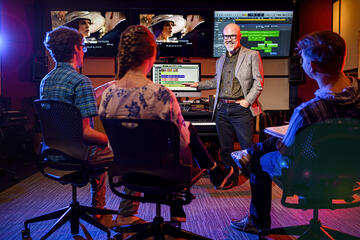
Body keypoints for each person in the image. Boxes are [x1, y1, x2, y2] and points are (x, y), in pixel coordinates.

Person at [98, 25, 235, 225]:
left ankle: (127, 214)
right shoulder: (161, 94)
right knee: (186, 130)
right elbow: (181, 144)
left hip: (127, 172)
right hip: (164, 173)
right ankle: (193, 188)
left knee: (140, 148)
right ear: (153, 54)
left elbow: (114, 145)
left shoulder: (108, 94)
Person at [230, 31, 360, 233]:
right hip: (351, 176)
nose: (301, 63)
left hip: (308, 175)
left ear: (312, 67)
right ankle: (251, 151)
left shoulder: (307, 112)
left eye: (303, 59)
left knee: (262, 158)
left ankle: (257, 221)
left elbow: (285, 151)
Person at [40, 26, 116, 224]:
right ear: (76, 48)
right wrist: (113, 141)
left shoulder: (47, 80)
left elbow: (69, 105)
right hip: (78, 153)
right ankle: (100, 209)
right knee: (114, 148)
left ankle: (98, 207)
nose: (84, 52)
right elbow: (85, 133)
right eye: (83, 47)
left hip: (52, 152)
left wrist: (105, 87)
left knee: (99, 146)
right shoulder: (80, 81)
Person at [183, 23, 264, 189]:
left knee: (247, 148)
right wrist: (197, 85)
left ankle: (255, 181)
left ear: (239, 36)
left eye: (232, 36)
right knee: (225, 149)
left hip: (241, 108)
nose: (229, 40)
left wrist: (247, 101)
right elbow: (216, 81)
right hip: (222, 109)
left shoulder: (252, 55)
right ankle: (230, 177)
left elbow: (259, 82)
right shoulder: (220, 60)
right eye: (226, 37)